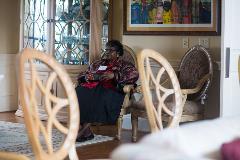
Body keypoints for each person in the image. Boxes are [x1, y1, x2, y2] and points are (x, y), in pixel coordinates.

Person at [75, 40, 139, 142]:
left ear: (118, 53)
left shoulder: (124, 65)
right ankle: (86, 132)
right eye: (106, 50)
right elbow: (85, 74)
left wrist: (114, 75)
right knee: (79, 92)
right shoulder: (98, 63)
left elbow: (133, 75)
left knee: (100, 96)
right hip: (95, 88)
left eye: (111, 50)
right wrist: (89, 77)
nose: (107, 52)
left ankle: (82, 132)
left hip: (114, 91)